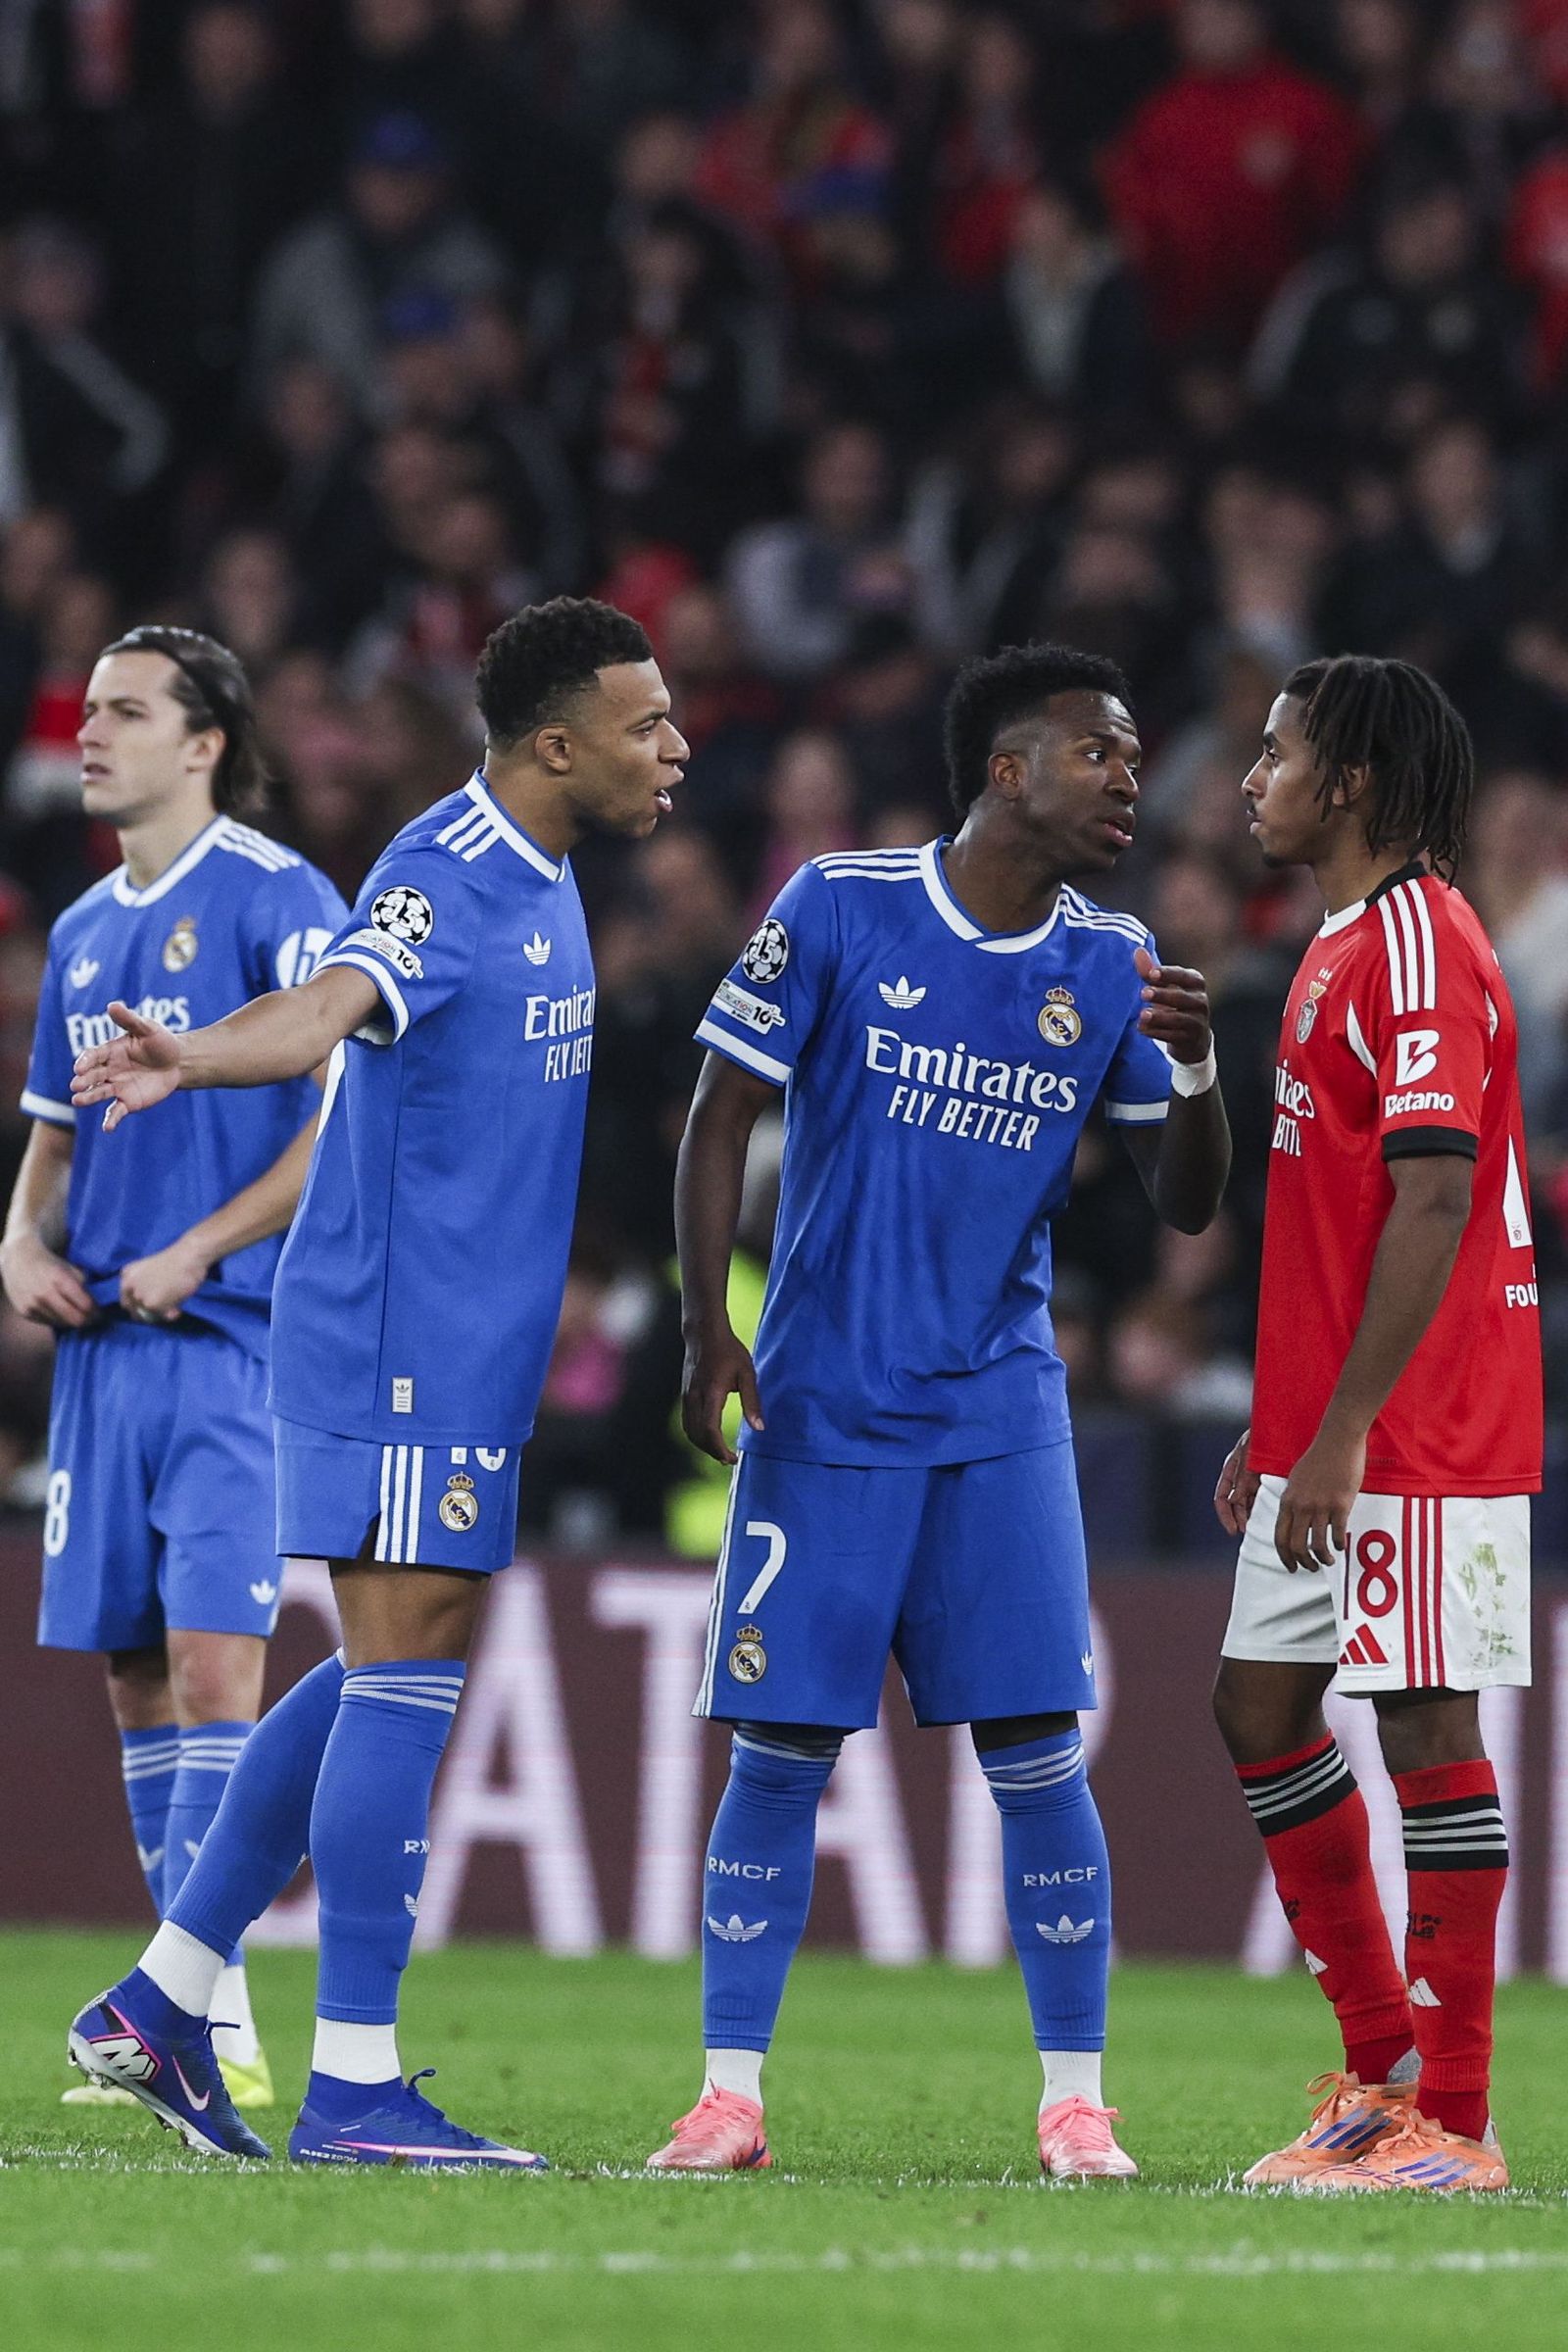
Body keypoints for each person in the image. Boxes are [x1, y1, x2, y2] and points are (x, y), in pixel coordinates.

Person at [65, 599, 688, 2170]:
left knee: (384, 1665)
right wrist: (192, 1055)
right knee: (407, 1675)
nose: (675, 749)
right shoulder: (447, 869)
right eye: (646, 724)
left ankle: (163, 1994)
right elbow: (329, 1009)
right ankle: (352, 2084)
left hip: (458, 1346)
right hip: (398, 1344)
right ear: (556, 742)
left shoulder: (543, 877)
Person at [651, 642, 1231, 2177]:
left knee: (1040, 1749)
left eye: (1131, 755)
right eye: (1098, 753)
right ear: (1009, 769)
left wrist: (1203, 1076)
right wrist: (709, 1326)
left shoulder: (1110, 962)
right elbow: (723, 1110)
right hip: (824, 1402)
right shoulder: (841, 904)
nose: (1128, 780)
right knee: (778, 1753)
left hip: (1000, 1411)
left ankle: (1076, 2104)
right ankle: (728, 2098)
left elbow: (1186, 1206)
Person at [0, 625, 345, 2113]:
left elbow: (344, 1121)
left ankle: (209, 2006)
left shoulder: (277, 898)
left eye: (129, 712)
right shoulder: (82, 930)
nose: (92, 734)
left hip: (232, 1341)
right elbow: (53, 1142)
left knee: (218, 1664)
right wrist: (17, 1243)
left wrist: (203, 1247)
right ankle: (186, 2012)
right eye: (90, 712)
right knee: (140, 1678)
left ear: (206, 741)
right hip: (103, 1357)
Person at [1212, 655, 1541, 2193]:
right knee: (1256, 1710)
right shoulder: (1338, 940)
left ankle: (1456, 2125)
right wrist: (1284, 1424)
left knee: (1423, 1724)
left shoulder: (1420, 944)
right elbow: (1339, 1216)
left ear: (1348, 783)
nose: (1250, 778)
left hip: (1424, 1422)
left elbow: (1434, 1189)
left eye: (1276, 753)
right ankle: (1379, 2065)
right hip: (1333, 1421)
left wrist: (1343, 1430)